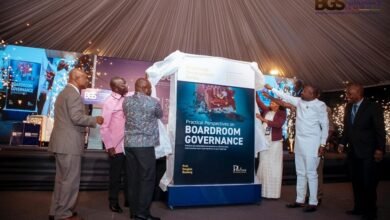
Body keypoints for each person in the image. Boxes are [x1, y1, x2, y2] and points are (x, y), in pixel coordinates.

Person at [48, 68, 104, 220]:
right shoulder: (73, 94)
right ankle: (64, 214)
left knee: (61, 180)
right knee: (69, 181)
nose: (87, 81)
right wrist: (95, 120)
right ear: (75, 78)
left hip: (62, 143)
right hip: (69, 144)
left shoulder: (63, 93)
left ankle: (56, 211)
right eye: (85, 78)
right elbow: (76, 118)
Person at [263, 83, 328, 212]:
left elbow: (325, 126)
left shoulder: (320, 105)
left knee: (311, 173)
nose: (302, 93)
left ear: (312, 94)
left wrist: (322, 144)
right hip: (299, 143)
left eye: (305, 91)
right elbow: (284, 97)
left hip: (313, 143)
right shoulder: (298, 101)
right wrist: (272, 90)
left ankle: (313, 202)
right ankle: (299, 200)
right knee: (300, 173)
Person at [338, 83, 385, 220]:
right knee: (356, 181)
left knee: (368, 183)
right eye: (347, 93)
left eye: (350, 94)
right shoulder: (349, 107)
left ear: (359, 93)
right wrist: (342, 142)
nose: (348, 96)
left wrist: (380, 149)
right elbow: (348, 128)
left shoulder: (372, 107)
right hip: (353, 152)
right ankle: (358, 208)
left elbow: (379, 129)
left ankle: (371, 212)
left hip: (368, 152)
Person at [123, 78, 162, 220]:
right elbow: (160, 115)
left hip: (129, 145)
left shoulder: (126, 101)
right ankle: (142, 214)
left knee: (133, 179)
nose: (150, 90)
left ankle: (134, 212)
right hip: (145, 145)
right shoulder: (153, 102)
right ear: (145, 88)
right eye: (149, 88)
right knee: (147, 179)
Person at [100, 77, 129, 213]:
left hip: (129, 145)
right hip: (116, 146)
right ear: (116, 88)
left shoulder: (127, 98)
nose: (126, 85)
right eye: (123, 84)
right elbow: (104, 126)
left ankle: (128, 199)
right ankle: (113, 202)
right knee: (115, 177)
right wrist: (109, 145)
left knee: (129, 174)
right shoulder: (109, 102)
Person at [255, 93, 286, 199]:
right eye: (271, 103)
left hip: (275, 143)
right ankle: (262, 191)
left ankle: (273, 193)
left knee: (273, 166)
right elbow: (259, 101)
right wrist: (254, 88)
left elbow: (278, 124)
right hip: (265, 142)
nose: (271, 104)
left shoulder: (282, 113)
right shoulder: (267, 111)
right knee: (264, 164)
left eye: (273, 103)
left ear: (278, 104)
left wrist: (264, 120)